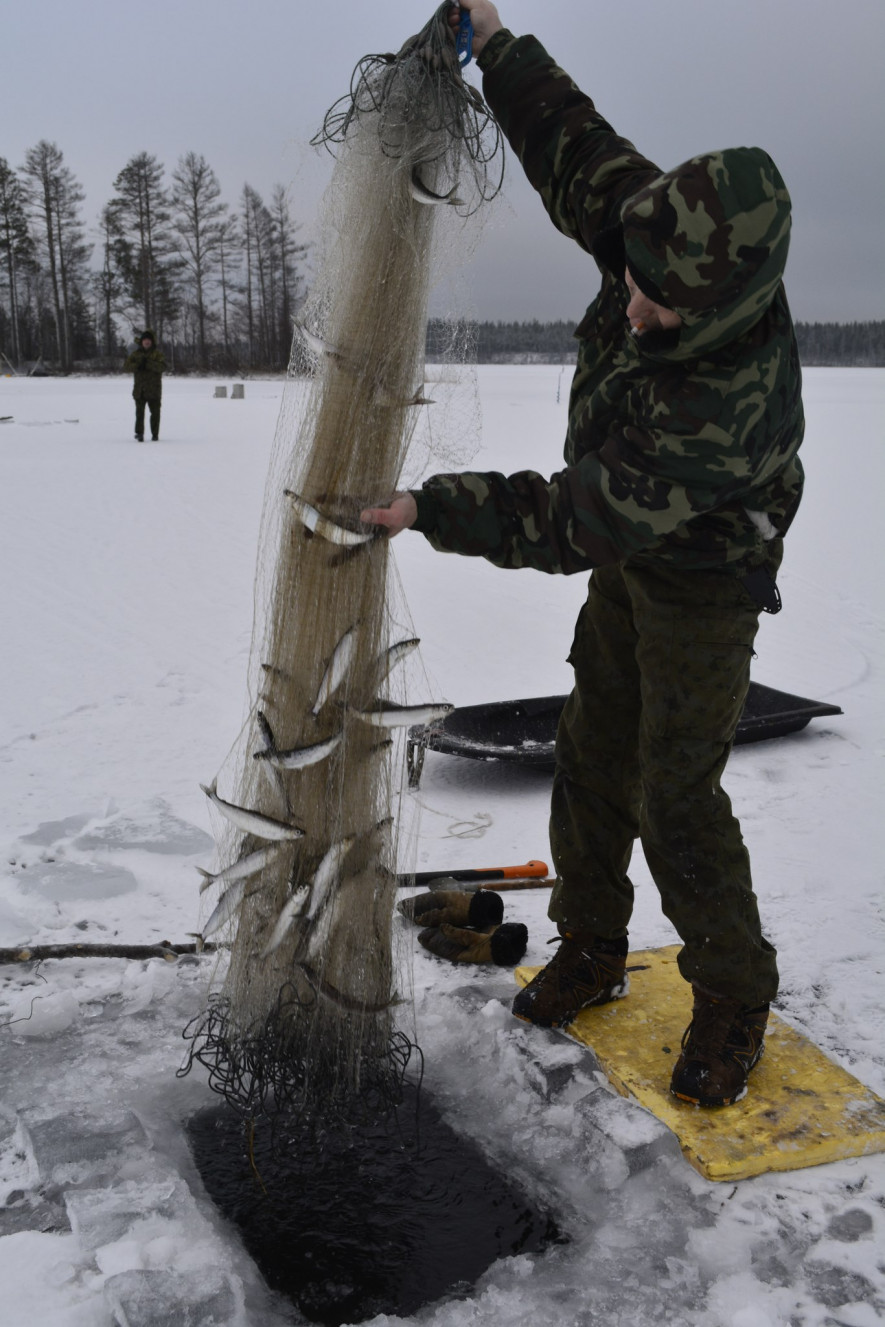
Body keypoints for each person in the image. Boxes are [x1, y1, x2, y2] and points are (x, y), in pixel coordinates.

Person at [361, 0, 804, 1108]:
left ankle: (734, 991)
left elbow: (575, 521)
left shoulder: (719, 408)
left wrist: (429, 507)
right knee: (589, 740)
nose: (633, 305)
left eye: (659, 304)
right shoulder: (648, 226)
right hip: (629, 546)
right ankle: (593, 944)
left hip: (702, 571)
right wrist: (496, 42)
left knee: (675, 786)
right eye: (632, 279)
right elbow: (567, 131)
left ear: (721, 308)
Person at [124, 329, 166, 441]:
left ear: (152, 342)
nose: (147, 342)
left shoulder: (157, 354)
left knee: (155, 413)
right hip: (140, 389)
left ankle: (155, 435)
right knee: (139, 413)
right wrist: (138, 365)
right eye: (145, 340)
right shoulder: (135, 355)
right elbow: (127, 367)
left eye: (149, 340)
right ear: (141, 341)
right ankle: (139, 433)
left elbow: (162, 367)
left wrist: (148, 364)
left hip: (154, 390)